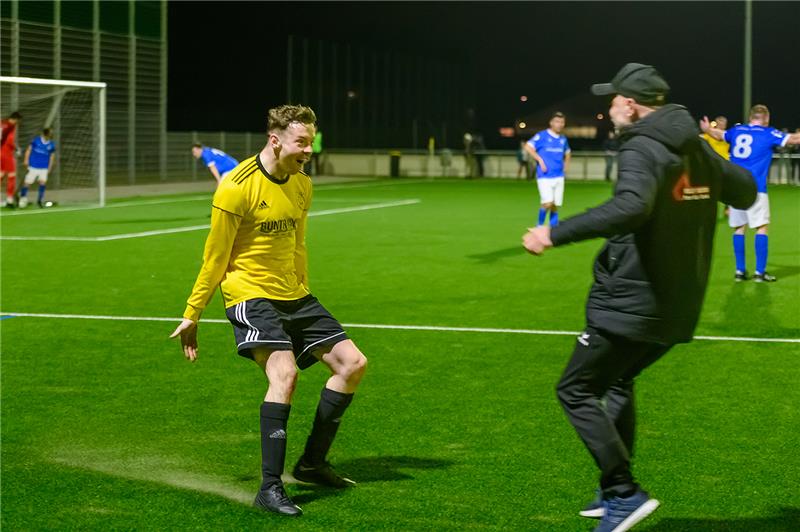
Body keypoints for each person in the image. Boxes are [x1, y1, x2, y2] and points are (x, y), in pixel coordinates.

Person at [522, 63, 756, 532]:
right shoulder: (692, 145)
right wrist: (709, 163)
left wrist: (554, 234)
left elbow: (631, 207)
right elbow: (747, 191)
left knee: (575, 389)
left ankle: (623, 493)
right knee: (617, 383)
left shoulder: (643, 146)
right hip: (678, 303)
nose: (608, 108)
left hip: (631, 301)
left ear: (630, 104)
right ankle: (612, 490)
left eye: (612, 100)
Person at [172, 105, 368, 517]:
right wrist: (194, 312)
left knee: (352, 365)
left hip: (293, 294)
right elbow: (214, 257)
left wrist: (303, 289)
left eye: (310, 142)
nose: (308, 150)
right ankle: (270, 487)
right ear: (275, 140)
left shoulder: (302, 184)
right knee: (285, 375)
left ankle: (312, 464)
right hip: (249, 293)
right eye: (302, 142)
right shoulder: (234, 186)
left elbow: (298, 244)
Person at [701, 105, 800, 282]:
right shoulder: (768, 133)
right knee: (761, 227)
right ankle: (759, 273)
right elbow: (793, 139)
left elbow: (719, 134)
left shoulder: (736, 130)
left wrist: (708, 128)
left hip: (736, 188)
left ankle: (740, 271)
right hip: (756, 187)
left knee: (739, 228)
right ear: (766, 118)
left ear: (750, 117)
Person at [525, 112, 571, 227]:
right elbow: (528, 146)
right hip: (544, 176)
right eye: (557, 121)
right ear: (551, 123)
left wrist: (566, 165)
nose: (560, 124)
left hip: (559, 176)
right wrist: (539, 160)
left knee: (555, 205)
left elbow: (568, 152)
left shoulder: (563, 139)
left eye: (562, 122)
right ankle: (539, 226)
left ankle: (553, 229)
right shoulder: (542, 135)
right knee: (547, 203)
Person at [20, 128, 56, 208]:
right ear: (45, 134)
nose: (51, 135)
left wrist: (50, 167)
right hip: (33, 166)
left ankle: (40, 200)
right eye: (50, 133)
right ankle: (23, 199)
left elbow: (52, 157)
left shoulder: (51, 144)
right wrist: (26, 160)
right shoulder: (36, 141)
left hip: (44, 167)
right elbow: (29, 150)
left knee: (42, 183)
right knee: (27, 182)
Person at [1, 111, 22, 207]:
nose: (17, 123)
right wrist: (16, 149)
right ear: (15, 119)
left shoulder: (1, 123)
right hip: (6, 153)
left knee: (1, 174)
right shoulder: (10, 126)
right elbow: (9, 141)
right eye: (17, 121)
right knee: (11, 175)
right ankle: (9, 200)